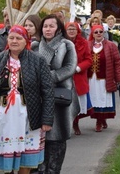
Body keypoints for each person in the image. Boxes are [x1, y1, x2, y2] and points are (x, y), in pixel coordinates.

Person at [0, 25, 54, 174]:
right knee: (7, 157)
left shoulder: (37, 60)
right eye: (11, 38)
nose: (14, 41)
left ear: (26, 40)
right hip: (4, 115)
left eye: (18, 38)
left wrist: (47, 119)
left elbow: (47, 91)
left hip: (28, 116)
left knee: (26, 159)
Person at [31, 14, 78, 173]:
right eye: (45, 26)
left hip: (60, 96)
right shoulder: (35, 46)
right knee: (40, 138)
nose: (48, 29)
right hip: (39, 97)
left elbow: (69, 68)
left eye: (51, 26)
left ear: (58, 28)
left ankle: (53, 169)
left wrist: (47, 77)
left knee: (57, 137)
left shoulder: (67, 45)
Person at [87, 25, 120, 132]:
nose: (98, 34)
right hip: (91, 78)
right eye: (96, 32)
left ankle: (100, 121)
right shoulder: (88, 45)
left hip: (105, 78)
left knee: (103, 99)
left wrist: (119, 76)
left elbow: (117, 62)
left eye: (100, 32)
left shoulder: (111, 45)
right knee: (94, 99)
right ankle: (99, 119)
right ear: (92, 34)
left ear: (104, 33)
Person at [65, 22, 93, 135]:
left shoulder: (84, 43)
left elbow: (88, 60)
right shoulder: (62, 43)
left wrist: (78, 68)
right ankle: (67, 125)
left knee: (77, 102)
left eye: (73, 29)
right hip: (64, 76)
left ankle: (75, 123)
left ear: (78, 31)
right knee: (65, 101)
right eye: (69, 29)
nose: (71, 31)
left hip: (78, 76)